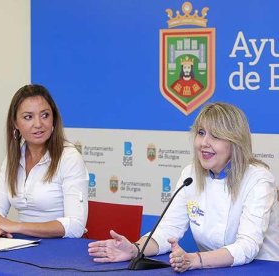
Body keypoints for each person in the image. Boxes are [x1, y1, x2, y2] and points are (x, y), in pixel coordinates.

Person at [88, 102, 279, 272]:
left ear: (235, 143)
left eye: (216, 136)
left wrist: (195, 260)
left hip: (261, 267)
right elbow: (167, 230)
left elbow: (247, 247)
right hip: (211, 268)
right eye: (201, 133)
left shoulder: (258, 179)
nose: (204, 143)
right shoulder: (190, 174)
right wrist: (135, 249)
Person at [0, 84, 88, 238]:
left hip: (60, 250)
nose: (38, 124)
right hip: (21, 244)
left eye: (45, 115)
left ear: (54, 118)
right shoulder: (13, 158)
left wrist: (15, 226)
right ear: (15, 123)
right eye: (28, 117)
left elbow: (75, 226)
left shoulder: (69, 158)